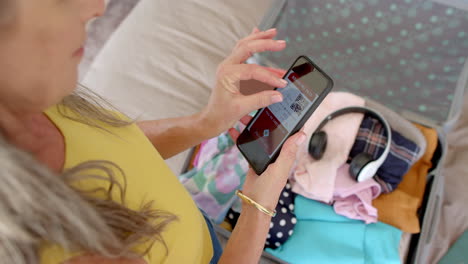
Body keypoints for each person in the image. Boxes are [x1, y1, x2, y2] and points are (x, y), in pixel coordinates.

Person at [0, 0, 306, 263]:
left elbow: (112, 146)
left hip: (200, 230)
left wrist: (207, 122)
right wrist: (258, 205)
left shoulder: (39, 100)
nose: (97, 8)